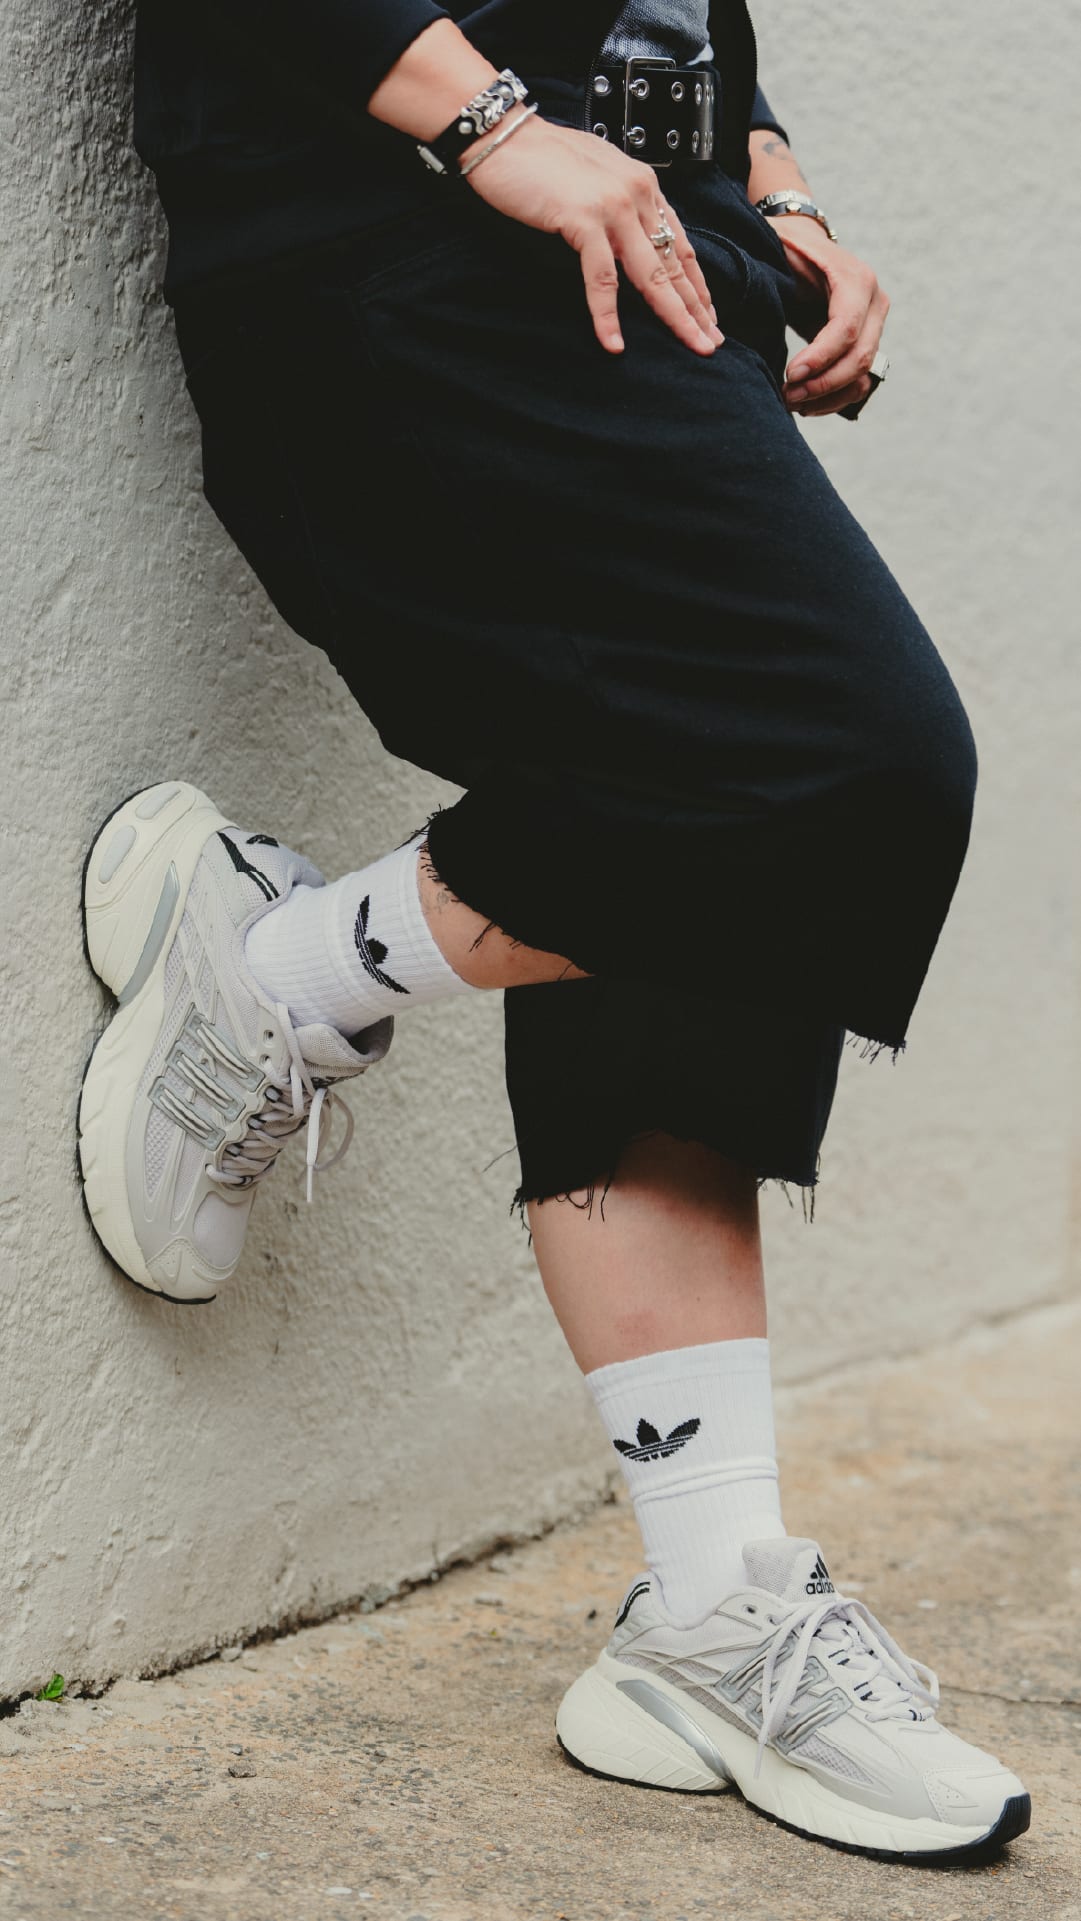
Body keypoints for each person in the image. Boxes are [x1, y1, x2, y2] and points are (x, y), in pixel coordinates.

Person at [79, 0, 1030, 1863]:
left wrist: (769, 176)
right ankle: (281, 976)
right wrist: (482, 121)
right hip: (393, 233)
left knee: (684, 826)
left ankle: (707, 1599)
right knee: (836, 767)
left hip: (634, 240)